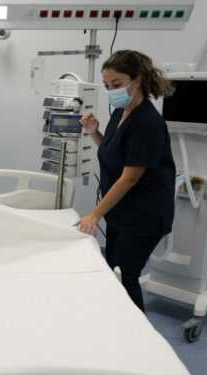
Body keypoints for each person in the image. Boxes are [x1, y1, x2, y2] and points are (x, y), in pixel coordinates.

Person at [77, 50, 176, 312]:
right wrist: (94, 132)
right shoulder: (120, 113)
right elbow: (113, 153)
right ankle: (116, 321)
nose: (111, 91)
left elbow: (129, 178)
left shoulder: (147, 123)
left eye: (117, 84)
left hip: (144, 216)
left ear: (137, 80)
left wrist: (94, 215)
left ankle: (137, 331)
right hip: (121, 211)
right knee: (113, 270)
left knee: (125, 276)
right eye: (107, 85)